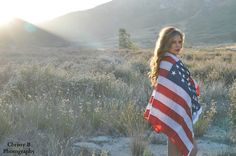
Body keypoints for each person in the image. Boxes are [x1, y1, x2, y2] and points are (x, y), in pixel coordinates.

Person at [144, 26, 202, 156]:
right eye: (173, 42)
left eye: (180, 42)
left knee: (176, 151)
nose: (177, 45)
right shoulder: (167, 62)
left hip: (177, 110)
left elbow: (182, 86)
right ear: (166, 43)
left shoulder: (172, 60)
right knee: (192, 149)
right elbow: (166, 90)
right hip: (175, 111)